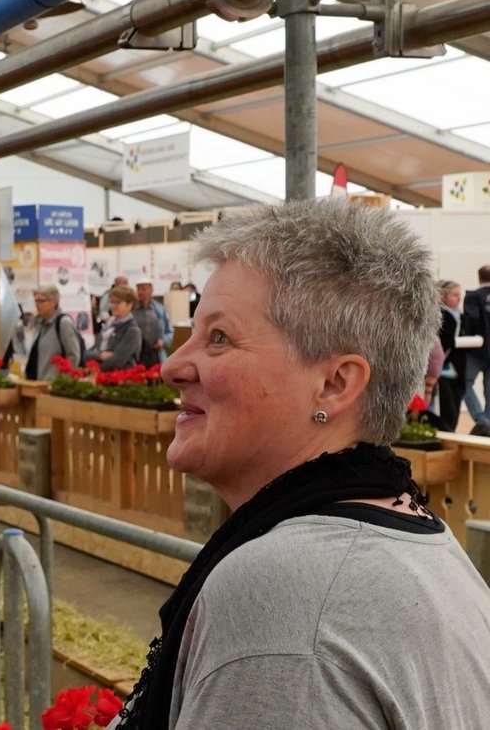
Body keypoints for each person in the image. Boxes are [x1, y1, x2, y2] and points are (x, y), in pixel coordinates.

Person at [115, 199, 490, 730]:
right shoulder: (414, 541)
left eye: (219, 337)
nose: (173, 366)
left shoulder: (287, 593)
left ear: (335, 384)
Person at [23, 285, 82, 381]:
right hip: (36, 383)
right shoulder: (40, 324)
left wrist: (62, 380)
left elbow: (73, 355)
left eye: (41, 301)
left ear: (54, 302)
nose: (37, 305)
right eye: (36, 301)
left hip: (52, 384)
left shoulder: (63, 323)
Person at [461, 265, 490, 437]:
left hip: (477, 349)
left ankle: (481, 419)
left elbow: (471, 320)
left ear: (479, 277)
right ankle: (487, 420)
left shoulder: (473, 296)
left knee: (465, 382)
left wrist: (467, 336)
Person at [85, 286, 141, 371]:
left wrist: (96, 367)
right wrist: (99, 356)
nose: (113, 306)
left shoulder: (132, 330)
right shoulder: (107, 326)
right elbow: (86, 355)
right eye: (111, 302)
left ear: (129, 305)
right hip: (101, 376)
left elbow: (118, 361)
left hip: (122, 376)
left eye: (117, 302)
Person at [434, 281, 465, 431]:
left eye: (460, 295)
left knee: (456, 410)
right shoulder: (440, 316)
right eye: (455, 295)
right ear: (444, 296)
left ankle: (451, 433)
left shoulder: (462, 316)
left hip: (458, 369)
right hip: (442, 369)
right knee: (448, 411)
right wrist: (454, 342)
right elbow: (439, 342)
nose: (459, 298)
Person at [133, 280, 173, 366]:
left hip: (156, 354)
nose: (140, 292)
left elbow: (169, 331)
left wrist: (163, 341)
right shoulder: (131, 309)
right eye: (138, 289)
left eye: (144, 289)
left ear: (151, 290)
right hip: (136, 354)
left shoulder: (160, 309)